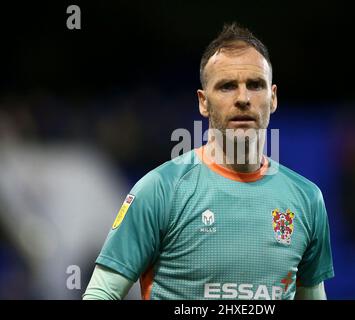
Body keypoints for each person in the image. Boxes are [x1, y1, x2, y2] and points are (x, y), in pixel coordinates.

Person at [83, 22, 334, 300]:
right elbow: (101, 294)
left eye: (255, 85)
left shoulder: (307, 200)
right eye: (227, 86)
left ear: (272, 97)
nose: (243, 98)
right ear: (204, 102)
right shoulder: (160, 190)